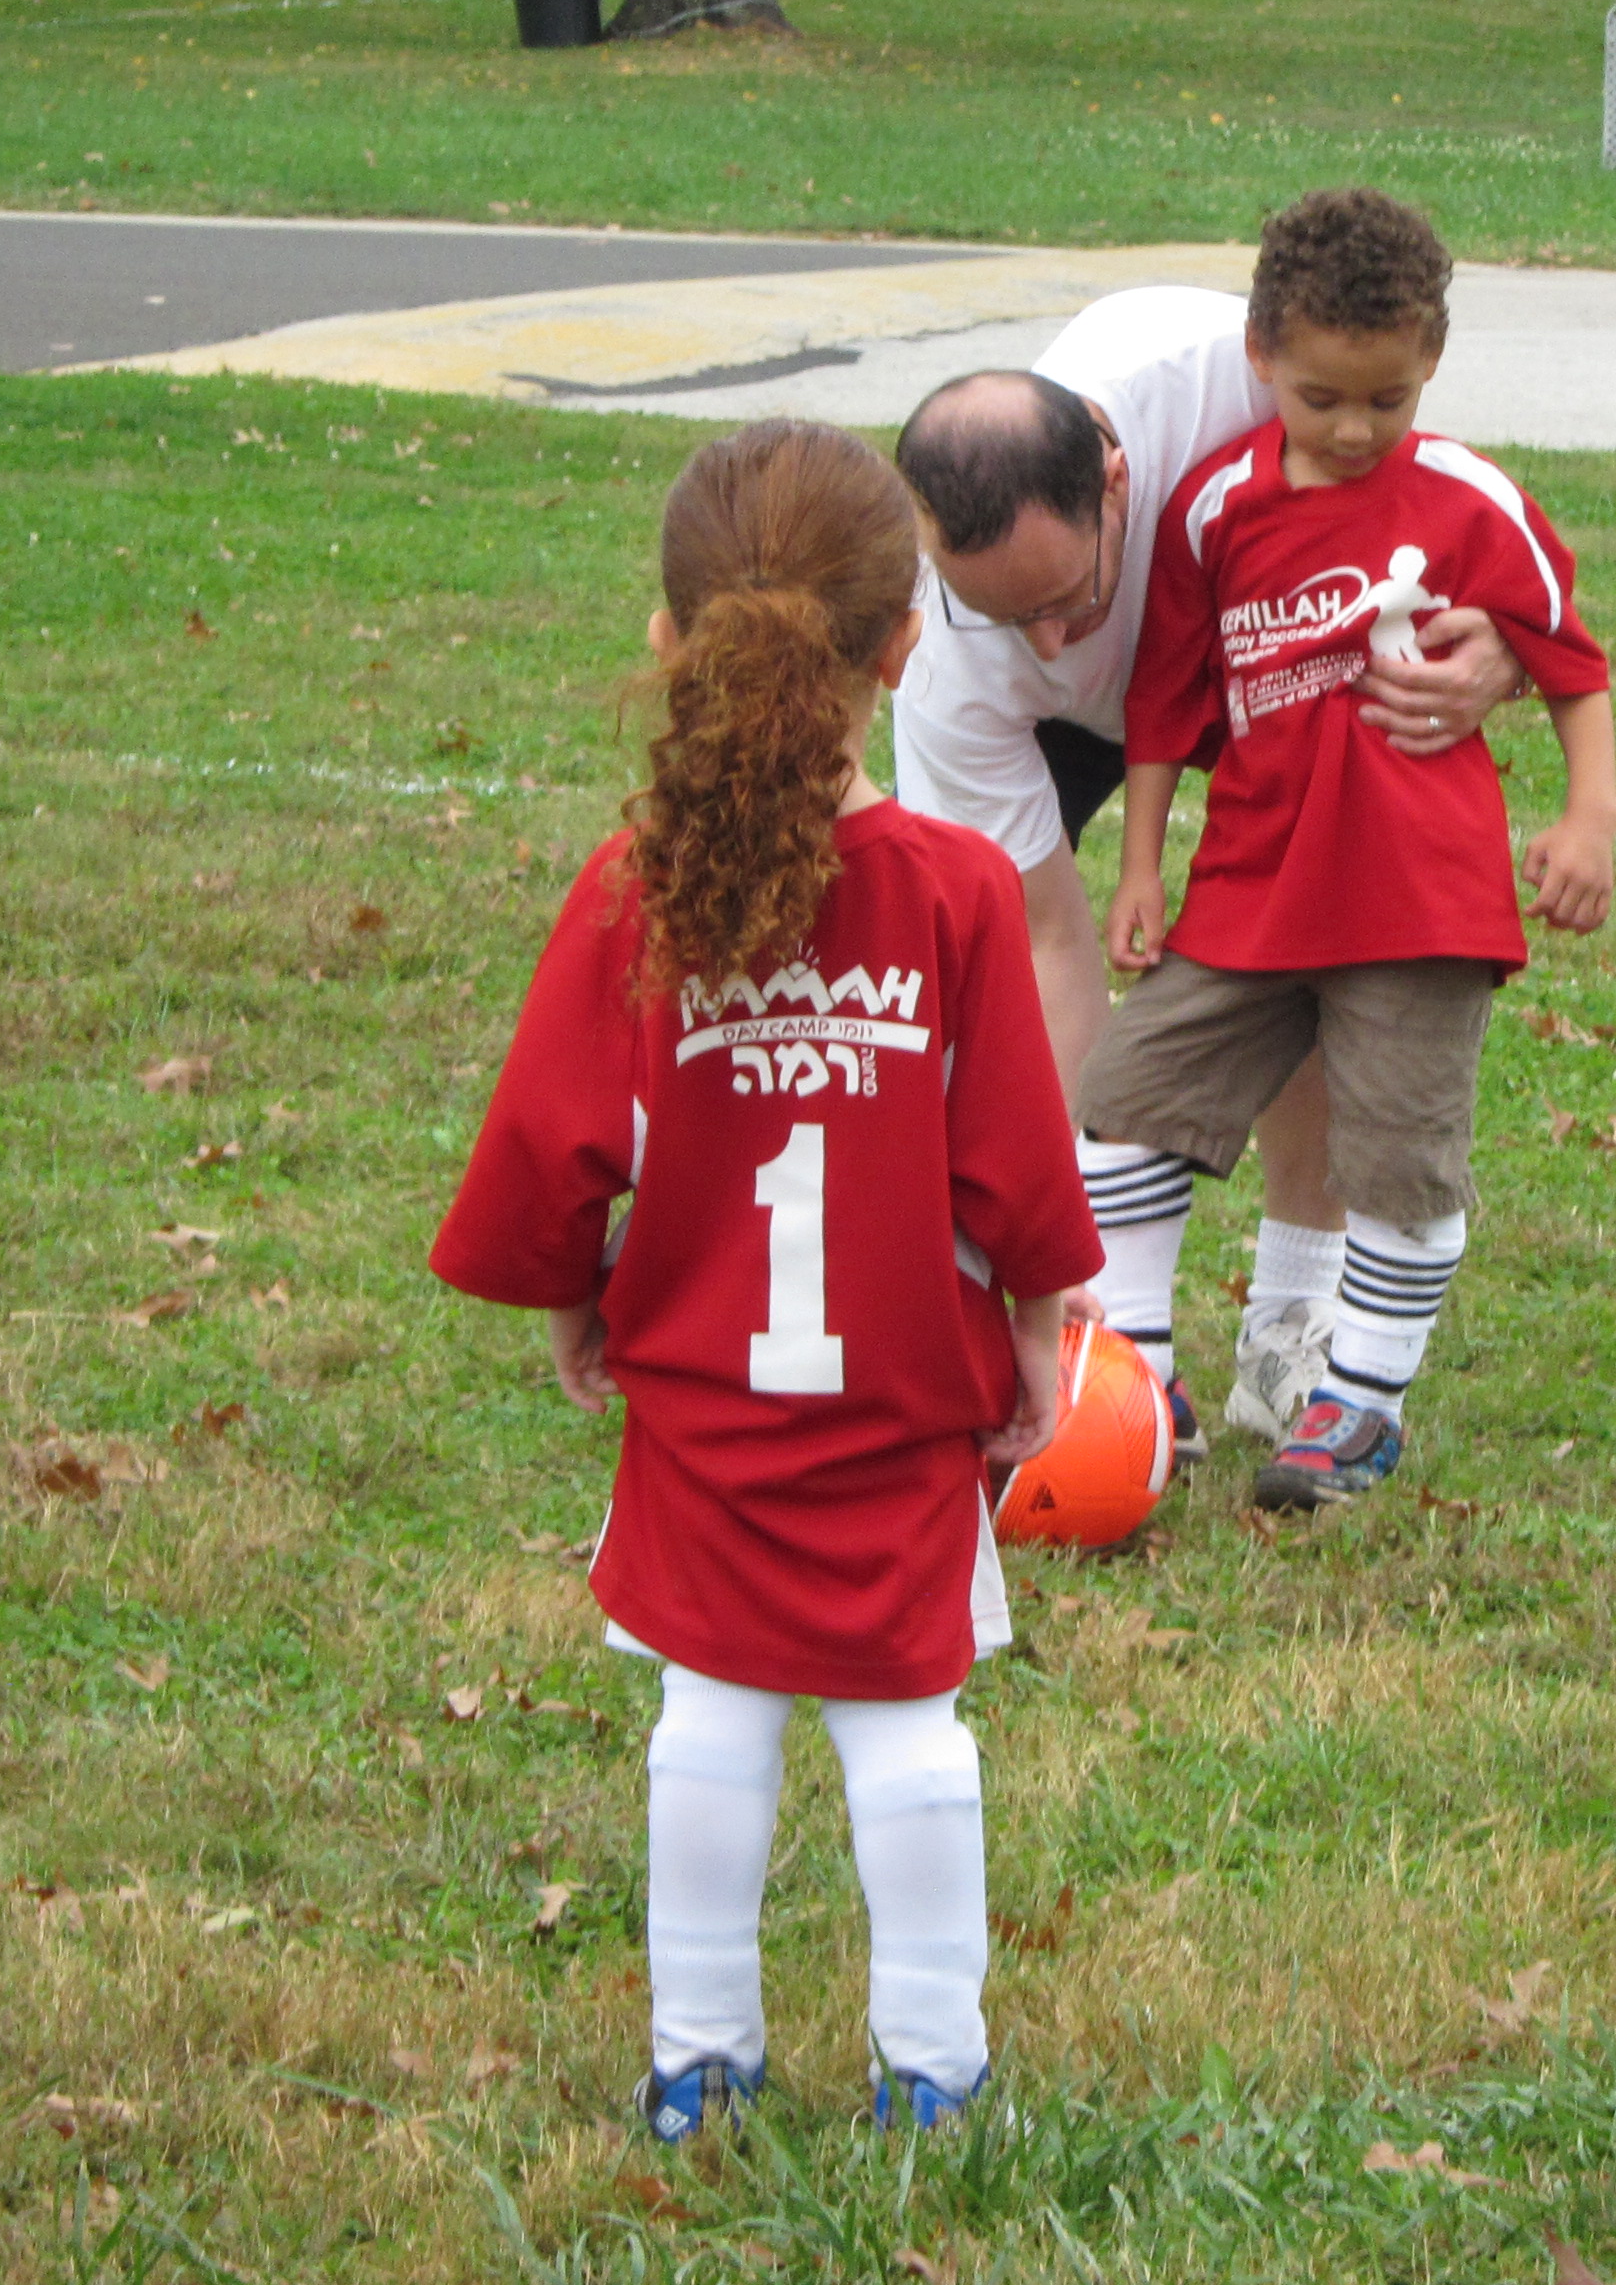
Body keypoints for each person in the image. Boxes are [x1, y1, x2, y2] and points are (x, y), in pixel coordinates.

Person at [428, 421, 1101, 2143]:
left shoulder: (634, 892)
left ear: (670, 642)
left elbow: (555, 1149)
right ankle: (932, 2069)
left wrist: (574, 1301)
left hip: (708, 1415)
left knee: (709, 1719)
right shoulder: (954, 890)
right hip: (897, 1412)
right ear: (902, 647)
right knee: (910, 1727)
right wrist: (1040, 1335)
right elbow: (1015, 1155)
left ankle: (700, 2060)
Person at [890, 294, 1525, 1455]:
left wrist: (1502, 645)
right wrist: (1067, 1255)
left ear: (1117, 482)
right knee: (1029, 1011)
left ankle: (1293, 1315)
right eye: (1006, 615)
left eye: (1068, 600)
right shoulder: (953, 667)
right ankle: (1117, 1354)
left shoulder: (1244, 384)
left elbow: (1448, 517)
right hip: (1062, 729)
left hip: (1272, 650)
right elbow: (1042, 941)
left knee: (1317, 924)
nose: (1049, 643)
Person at [1083, 189, 1616, 1513]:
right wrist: (1142, 864)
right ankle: (1139, 1382)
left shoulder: (1471, 498)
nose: (1356, 428)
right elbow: (1165, 700)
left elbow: (1568, 657)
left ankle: (1362, 1405)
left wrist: (1587, 815)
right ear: (1261, 354)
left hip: (1418, 898)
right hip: (1252, 884)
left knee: (1398, 1158)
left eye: (1389, 397)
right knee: (1125, 1102)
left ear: (1432, 358)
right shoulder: (1213, 509)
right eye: (1321, 397)